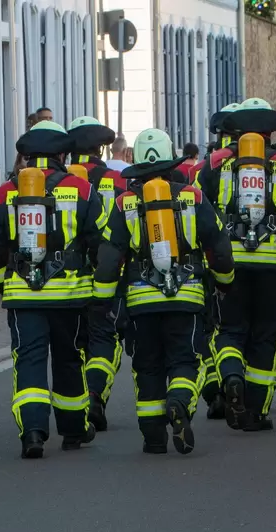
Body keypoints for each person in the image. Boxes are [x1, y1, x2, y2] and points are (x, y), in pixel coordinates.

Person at [94, 128, 234, 454]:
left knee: (147, 366)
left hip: (141, 302)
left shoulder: (124, 203)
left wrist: (101, 300)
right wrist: (225, 280)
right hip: (186, 297)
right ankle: (180, 401)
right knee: (185, 358)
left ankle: (153, 438)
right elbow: (218, 244)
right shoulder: (193, 197)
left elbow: (109, 256)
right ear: (171, 160)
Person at [0, 120, 105, 458]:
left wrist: (5, 281)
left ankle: (33, 432)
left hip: (23, 296)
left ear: (26, 155)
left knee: (29, 360)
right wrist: (99, 281)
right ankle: (73, 429)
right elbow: (99, 241)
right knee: (69, 360)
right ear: (62, 154)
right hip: (70, 297)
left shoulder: (7, 192)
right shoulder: (80, 189)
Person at [196, 98, 276, 432]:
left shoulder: (215, 164)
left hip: (227, 264)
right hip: (272, 267)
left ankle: (231, 376)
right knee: (265, 335)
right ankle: (255, 412)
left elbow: (198, 215)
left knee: (229, 329)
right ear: (268, 131)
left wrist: (206, 260)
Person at [66, 116, 125, 431]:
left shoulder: (60, 181)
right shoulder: (116, 181)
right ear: (101, 148)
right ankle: (94, 393)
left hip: (64, 277)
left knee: (71, 342)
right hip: (105, 273)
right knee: (104, 338)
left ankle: (73, 401)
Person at [193, 103, 240, 419]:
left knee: (213, 329)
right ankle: (240, 382)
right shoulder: (271, 161)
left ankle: (216, 390)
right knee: (249, 328)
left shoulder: (205, 167)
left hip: (213, 259)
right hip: (262, 257)